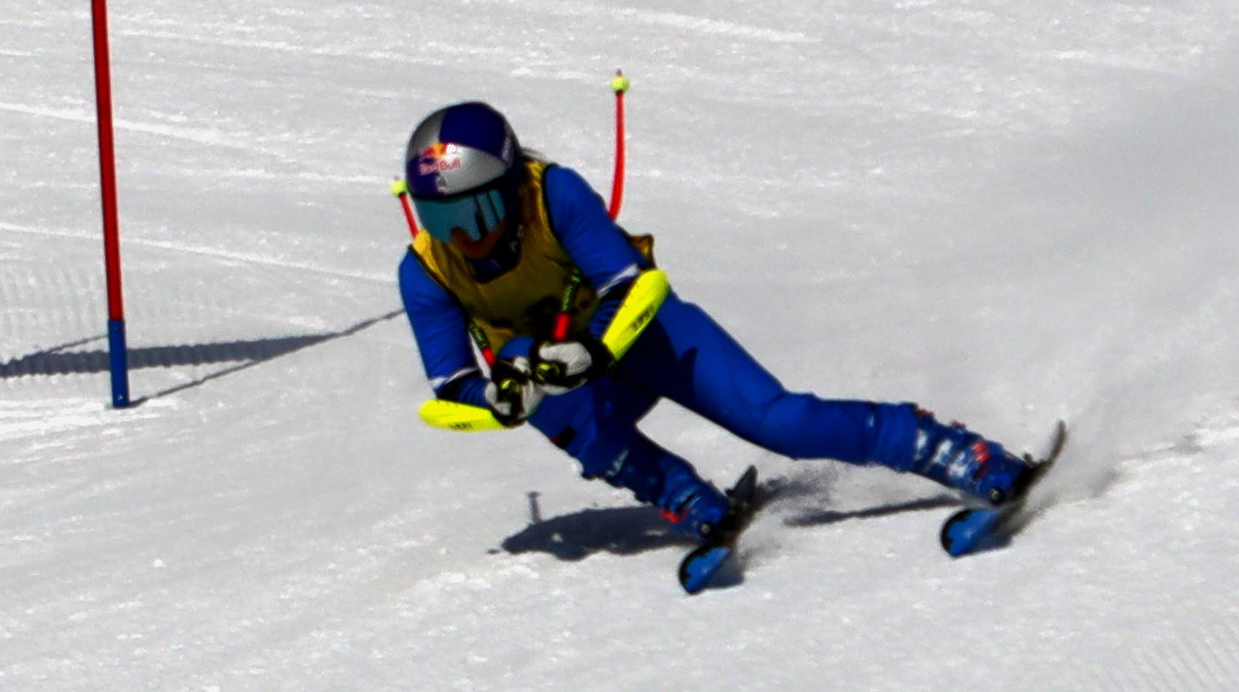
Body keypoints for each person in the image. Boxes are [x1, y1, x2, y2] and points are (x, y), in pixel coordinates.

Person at [397, 100, 1035, 542]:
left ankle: (952, 450)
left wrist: (593, 349)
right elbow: (448, 391)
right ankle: (684, 496)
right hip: (568, 379)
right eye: (441, 220)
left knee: (780, 421)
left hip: (648, 335)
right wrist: (499, 400)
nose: (463, 239)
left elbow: (635, 285)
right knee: (543, 396)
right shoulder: (425, 270)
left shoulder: (553, 194)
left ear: (510, 188)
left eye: (475, 215)